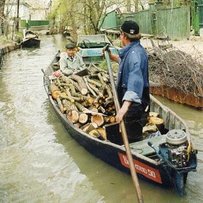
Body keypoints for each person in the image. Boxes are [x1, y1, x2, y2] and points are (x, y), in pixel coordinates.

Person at [106, 20, 150, 142]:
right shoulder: (134, 50)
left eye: (120, 34)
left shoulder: (134, 55)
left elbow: (135, 83)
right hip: (131, 102)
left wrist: (123, 109)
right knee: (130, 134)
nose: (120, 37)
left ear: (124, 36)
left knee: (133, 140)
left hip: (134, 106)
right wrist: (112, 57)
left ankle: (134, 156)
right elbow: (125, 65)